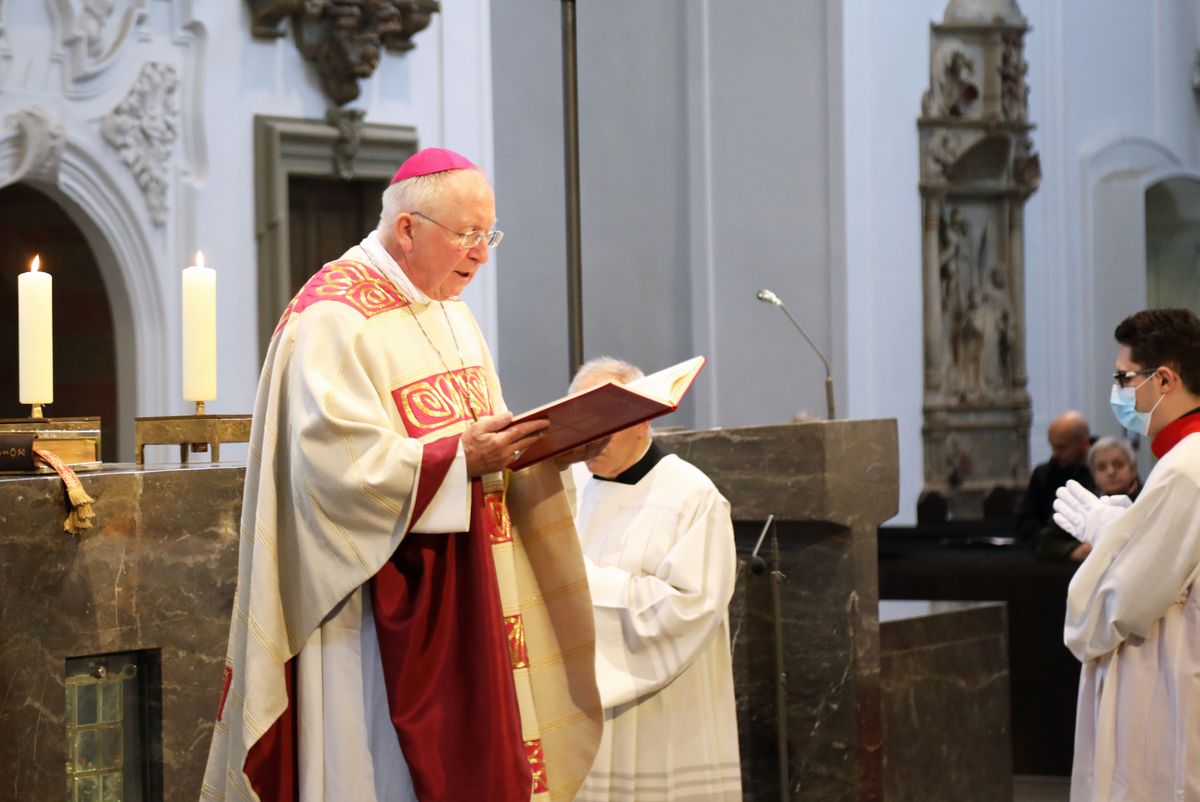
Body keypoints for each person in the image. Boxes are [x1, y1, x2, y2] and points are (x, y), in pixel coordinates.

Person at [202, 148, 602, 802]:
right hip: (365, 614)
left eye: (488, 234)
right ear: (409, 228)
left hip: (466, 591)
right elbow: (333, 475)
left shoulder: (449, 309)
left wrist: (546, 447)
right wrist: (456, 462)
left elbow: (484, 434)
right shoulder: (333, 317)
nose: (481, 254)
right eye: (467, 235)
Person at [567, 357, 742, 802]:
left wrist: (576, 586)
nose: (590, 439)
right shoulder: (570, 487)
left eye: (604, 423)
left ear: (642, 421)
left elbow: (690, 608)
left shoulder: (691, 496)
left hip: (665, 711)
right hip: (583, 712)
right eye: (580, 423)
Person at [1053, 307, 1200, 801]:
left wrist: (1108, 538)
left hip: (1164, 675)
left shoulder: (1185, 468)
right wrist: (1125, 530)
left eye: (1124, 378)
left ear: (1163, 380)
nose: (1117, 391)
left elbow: (1122, 603)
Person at [1031, 437, 1139, 562]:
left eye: (1118, 465)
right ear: (1094, 475)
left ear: (1132, 470)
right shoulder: (1082, 502)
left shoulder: (1149, 498)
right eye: (1102, 467)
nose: (1110, 472)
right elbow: (1041, 543)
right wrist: (1072, 550)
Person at [1015, 410, 1093, 541]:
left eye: (1061, 447)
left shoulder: (1105, 469)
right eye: (1052, 447)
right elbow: (1026, 521)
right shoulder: (1043, 475)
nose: (1055, 454)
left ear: (1084, 443)